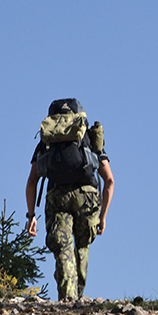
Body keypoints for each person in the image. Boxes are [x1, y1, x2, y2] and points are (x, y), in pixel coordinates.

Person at [26, 99, 115, 301]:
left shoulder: (46, 142)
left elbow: (32, 181)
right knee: (82, 247)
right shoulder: (89, 139)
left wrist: (31, 215)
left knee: (63, 249)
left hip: (57, 196)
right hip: (88, 197)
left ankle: (67, 299)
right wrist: (103, 216)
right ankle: (79, 299)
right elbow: (109, 180)